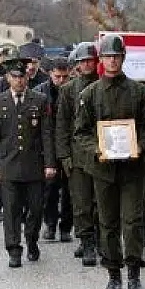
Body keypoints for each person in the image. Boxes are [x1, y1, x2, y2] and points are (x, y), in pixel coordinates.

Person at [73, 34, 145, 289]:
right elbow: (81, 132)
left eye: (116, 56)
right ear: (101, 60)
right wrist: (97, 150)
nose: (112, 61)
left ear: (123, 58)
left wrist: (141, 147)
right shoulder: (90, 94)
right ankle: (113, 273)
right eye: (108, 56)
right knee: (108, 223)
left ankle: (134, 274)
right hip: (103, 170)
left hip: (133, 170)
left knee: (133, 222)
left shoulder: (139, 91)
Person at [0, 57, 57, 268]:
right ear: (8, 78)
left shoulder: (40, 99)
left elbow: (47, 133)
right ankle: (14, 249)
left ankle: (32, 240)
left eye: (22, 77)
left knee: (35, 209)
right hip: (8, 164)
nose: (19, 81)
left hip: (33, 164)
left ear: (28, 77)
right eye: (15, 77)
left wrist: (50, 163)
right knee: (11, 210)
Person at [54, 41, 101, 266]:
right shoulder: (68, 90)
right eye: (83, 61)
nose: (86, 65)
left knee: (100, 201)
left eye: (90, 60)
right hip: (77, 154)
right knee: (81, 202)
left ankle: (101, 239)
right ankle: (87, 240)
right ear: (77, 65)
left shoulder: (104, 85)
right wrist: (64, 156)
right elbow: (61, 125)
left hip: (101, 152)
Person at [34, 57, 73, 243]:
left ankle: (66, 227)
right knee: (49, 189)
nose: (61, 81)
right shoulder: (40, 92)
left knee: (70, 190)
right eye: (58, 76)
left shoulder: (74, 90)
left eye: (65, 77)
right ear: (50, 74)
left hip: (70, 145)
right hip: (48, 147)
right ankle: (50, 224)